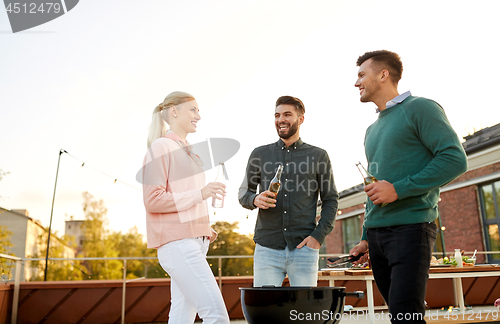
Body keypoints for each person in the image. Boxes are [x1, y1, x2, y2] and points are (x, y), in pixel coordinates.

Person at [349, 50, 468, 323]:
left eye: (361, 75)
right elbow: (374, 186)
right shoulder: (372, 129)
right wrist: (366, 236)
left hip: (410, 230)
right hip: (377, 236)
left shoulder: (421, 108)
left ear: (383, 74)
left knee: (406, 317)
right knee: (398, 316)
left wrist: (399, 189)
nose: (356, 83)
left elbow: (455, 159)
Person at [141, 91, 230, 324]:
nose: (198, 116)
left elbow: (188, 197)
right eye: (193, 109)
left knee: (181, 317)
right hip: (177, 243)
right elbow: (153, 199)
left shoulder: (190, 151)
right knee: (217, 315)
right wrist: (200, 193)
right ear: (173, 111)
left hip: (196, 241)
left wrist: (203, 225)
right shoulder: (160, 147)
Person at [239, 95, 339, 287]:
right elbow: (244, 193)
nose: (280, 120)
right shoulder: (259, 154)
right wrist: (255, 199)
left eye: (287, 114)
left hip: (304, 247)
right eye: (277, 115)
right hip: (267, 248)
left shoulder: (318, 156)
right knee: (265, 312)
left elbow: (331, 200)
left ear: (300, 119)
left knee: (305, 314)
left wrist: (318, 238)